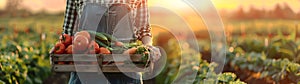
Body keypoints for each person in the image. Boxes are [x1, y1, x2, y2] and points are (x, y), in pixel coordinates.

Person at [61, 0, 161, 84]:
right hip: (84, 74)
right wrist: (60, 50)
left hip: (127, 74)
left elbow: (144, 30)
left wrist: (148, 47)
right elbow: (67, 34)